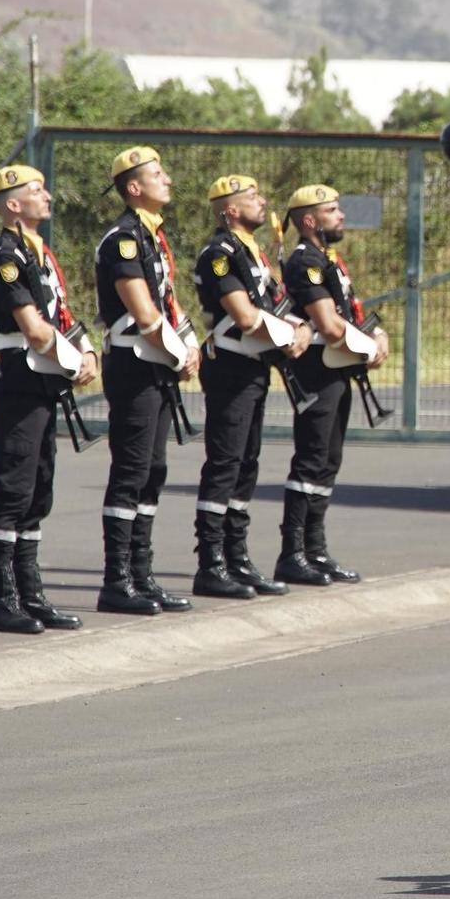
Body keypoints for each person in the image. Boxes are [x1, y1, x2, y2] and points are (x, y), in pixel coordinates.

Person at [0, 165, 99, 634]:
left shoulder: (40, 254)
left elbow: (60, 315)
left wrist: (86, 351)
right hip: (20, 381)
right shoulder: (6, 257)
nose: (47, 196)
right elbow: (31, 327)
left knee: (37, 492)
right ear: (12, 204)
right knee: (13, 490)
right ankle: (3, 599)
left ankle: (31, 594)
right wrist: (74, 359)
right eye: (36, 190)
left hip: (47, 380)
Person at [190, 174, 304, 599]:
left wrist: (299, 327)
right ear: (230, 210)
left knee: (247, 464)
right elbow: (244, 315)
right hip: (231, 367)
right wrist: (286, 335)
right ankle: (211, 563)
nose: (262, 201)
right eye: (252, 197)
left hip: (254, 365)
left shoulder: (252, 252)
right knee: (225, 464)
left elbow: (272, 307)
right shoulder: (219, 253)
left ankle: (237, 558)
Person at [95, 146, 198, 615]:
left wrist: (188, 344)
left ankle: (143, 575)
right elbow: (142, 311)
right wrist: (180, 355)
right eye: (158, 174)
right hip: (136, 364)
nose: (168, 180)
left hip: (157, 361)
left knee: (153, 471)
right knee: (132, 471)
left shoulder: (152, 237)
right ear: (134, 187)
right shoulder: (124, 239)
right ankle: (118, 581)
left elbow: (167, 303)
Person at [275, 183, 386, 587]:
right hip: (317, 368)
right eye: (332, 210)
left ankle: (316, 550)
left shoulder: (329, 259)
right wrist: (367, 345)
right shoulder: (306, 261)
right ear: (309, 220)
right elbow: (326, 321)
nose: (341, 216)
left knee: (329, 459)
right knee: (311, 457)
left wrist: (378, 334)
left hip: (338, 365)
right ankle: (293, 554)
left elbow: (349, 311)